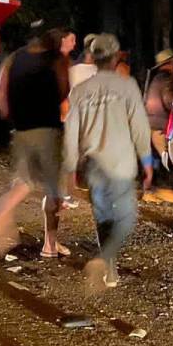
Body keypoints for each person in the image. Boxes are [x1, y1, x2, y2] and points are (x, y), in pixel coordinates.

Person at [62, 33, 153, 291]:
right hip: (121, 164)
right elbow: (139, 127)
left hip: (93, 165)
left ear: (94, 58)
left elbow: (71, 133)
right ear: (115, 58)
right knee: (125, 218)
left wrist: (69, 168)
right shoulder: (128, 86)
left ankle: (109, 270)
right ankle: (103, 261)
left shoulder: (80, 91)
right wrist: (147, 161)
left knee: (103, 217)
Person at [0, 26, 71, 260]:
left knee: (25, 181)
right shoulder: (55, 59)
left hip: (22, 129)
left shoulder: (15, 58)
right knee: (53, 190)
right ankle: (49, 245)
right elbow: (64, 92)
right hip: (47, 129)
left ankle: (3, 208)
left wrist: (11, 113)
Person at [144, 48, 173, 162]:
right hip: (161, 128)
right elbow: (170, 100)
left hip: (152, 125)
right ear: (170, 64)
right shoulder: (167, 79)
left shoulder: (156, 78)